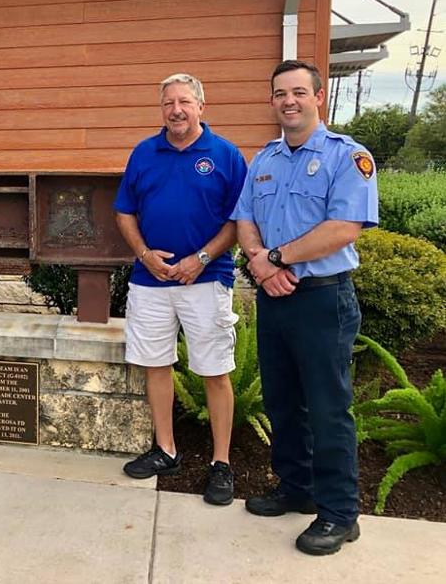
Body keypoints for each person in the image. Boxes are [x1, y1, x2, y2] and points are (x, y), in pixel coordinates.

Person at [231, 59, 378, 556]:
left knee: (328, 408)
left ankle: (339, 513)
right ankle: (296, 488)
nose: (288, 101)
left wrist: (275, 259)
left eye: (298, 92)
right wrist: (261, 264)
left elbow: (344, 228)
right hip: (274, 297)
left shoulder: (348, 157)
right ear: (272, 101)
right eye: (280, 93)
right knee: (282, 401)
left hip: (322, 299)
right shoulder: (264, 159)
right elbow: (245, 218)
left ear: (319, 97)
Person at [114, 74, 247, 505]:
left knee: (214, 370)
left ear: (201, 107)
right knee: (156, 364)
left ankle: (221, 463)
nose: (176, 110)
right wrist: (144, 254)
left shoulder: (226, 155)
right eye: (168, 103)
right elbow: (125, 212)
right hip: (150, 280)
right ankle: (166, 450)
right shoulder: (143, 152)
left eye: (185, 102)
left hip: (205, 280)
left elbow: (239, 220)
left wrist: (201, 259)